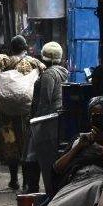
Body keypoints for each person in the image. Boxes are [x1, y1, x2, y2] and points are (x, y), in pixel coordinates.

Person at [45, 97, 103, 206]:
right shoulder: (80, 139)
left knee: (99, 190)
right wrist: (78, 147)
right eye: (94, 116)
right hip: (77, 182)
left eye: (102, 116)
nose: (99, 120)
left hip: (99, 180)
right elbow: (57, 168)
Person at [0, 35, 46, 190]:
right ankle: (25, 181)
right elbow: (42, 80)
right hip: (27, 112)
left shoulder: (4, 61)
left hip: (6, 112)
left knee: (11, 143)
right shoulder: (34, 62)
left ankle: (13, 180)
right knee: (25, 145)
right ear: (26, 47)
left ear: (12, 48)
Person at [27, 42, 69, 195]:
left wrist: (35, 123)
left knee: (34, 154)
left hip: (46, 121)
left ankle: (34, 189)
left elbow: (45, 101)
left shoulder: (49, 74)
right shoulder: (64, 71)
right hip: (57, 120)